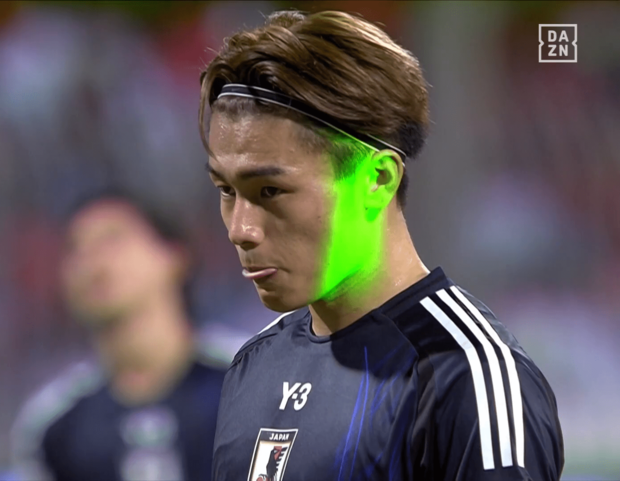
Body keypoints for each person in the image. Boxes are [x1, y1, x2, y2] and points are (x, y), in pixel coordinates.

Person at [199, 9, 564, 481]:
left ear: (378, 178)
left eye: (270, 191)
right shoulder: (254, 366)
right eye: (226, 190)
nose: (240, 228)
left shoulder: (466, 376)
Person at [11, 190, 227, 481]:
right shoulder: (50, 427)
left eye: (112, 239)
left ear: (174, 256)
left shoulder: (252, 381)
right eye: (75, 249)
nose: (92, 262)